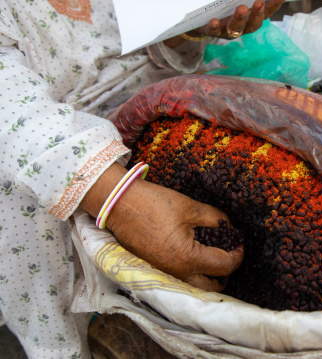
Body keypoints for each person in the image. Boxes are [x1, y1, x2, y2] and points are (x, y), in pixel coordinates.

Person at [0, 0, 285, 357]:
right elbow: (10, 109)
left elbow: (140, 36)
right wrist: (119, 200)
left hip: (145, 102)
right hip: (40, 143)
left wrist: (192, 28)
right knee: (23, 209)